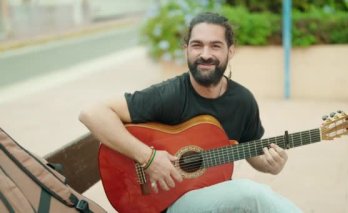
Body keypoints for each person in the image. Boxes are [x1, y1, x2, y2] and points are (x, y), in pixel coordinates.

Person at [79, 12, 301, 213]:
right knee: (250, 194)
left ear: (230, 51)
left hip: (210, 198)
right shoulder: (170, 95)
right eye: (197, 45)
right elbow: (91, 113)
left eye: (215, 46)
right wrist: (149, 158)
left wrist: (272, 165)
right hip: (164, 205)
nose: (205, 54)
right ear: (186, 49)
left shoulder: (242, 101)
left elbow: (252, 152)